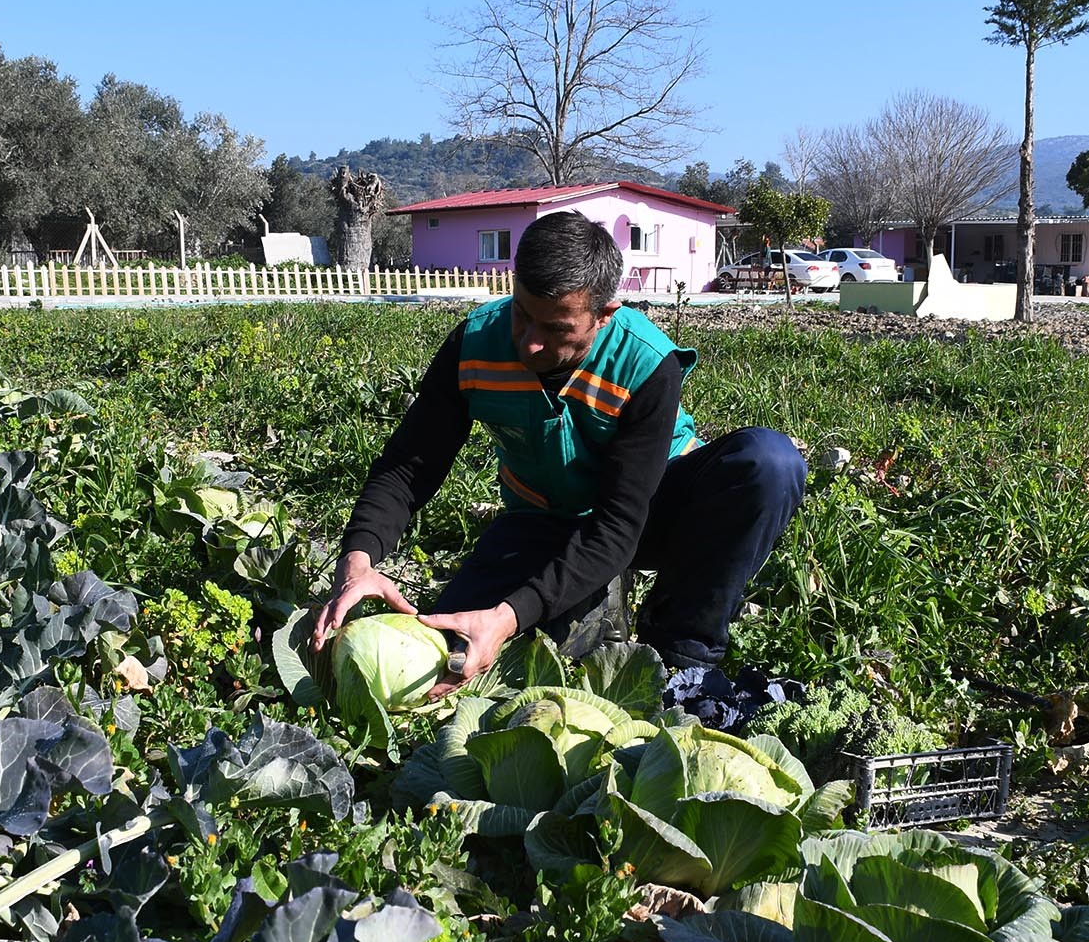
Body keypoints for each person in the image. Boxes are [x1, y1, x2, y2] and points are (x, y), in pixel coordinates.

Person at [310, 210, 807, 708]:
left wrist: (507, 616)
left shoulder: (646, 364)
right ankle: (590, 601)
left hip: (651, 517)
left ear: (605, 313)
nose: (528, 341)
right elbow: (408, 465)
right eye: (521, 312)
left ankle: (681, 646)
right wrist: (358, 560)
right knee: (452, 650)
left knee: (767, 462)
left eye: (555, 327)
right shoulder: (474, 344)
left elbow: (617, 525)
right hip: (546, 521)